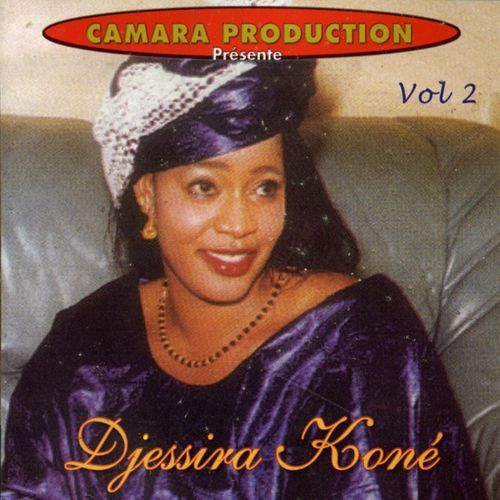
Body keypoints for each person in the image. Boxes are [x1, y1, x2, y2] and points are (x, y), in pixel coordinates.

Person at [1, 58, 485, 499]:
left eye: (264, 188)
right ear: (146, 196)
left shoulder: (358, 339)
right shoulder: (84, 346)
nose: (240, 224)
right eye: (204, 187)